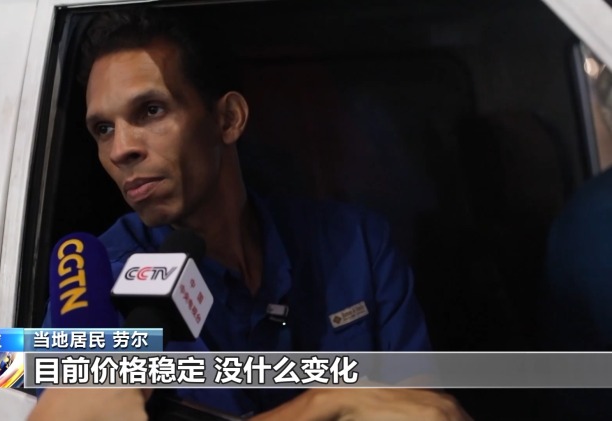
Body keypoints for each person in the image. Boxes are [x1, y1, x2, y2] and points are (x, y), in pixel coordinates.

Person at [29, 7, 471, 421]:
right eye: (103, 129)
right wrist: (326, 402)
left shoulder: (356, 244)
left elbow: (422, 408)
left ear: (228, 119)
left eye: (150, 110)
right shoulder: (96, 286)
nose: (121, 149)